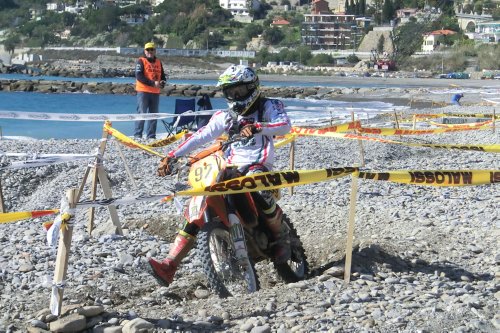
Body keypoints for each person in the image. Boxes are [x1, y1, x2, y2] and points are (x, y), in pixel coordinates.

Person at [148, 64, 292, 287]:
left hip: (258, 163)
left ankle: (281, 237)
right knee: (200, 203)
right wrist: (171, 155)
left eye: (239, 91)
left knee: (260, 189)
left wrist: (258, 127)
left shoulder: (269, 106)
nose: (235, 96)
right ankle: (170, 264)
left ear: (252, 87)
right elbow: (200, 136)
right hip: (230, 164)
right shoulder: (225, 117)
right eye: (230, 92)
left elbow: (284, 126)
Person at [134, 42, 167, 140]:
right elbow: (139, 76)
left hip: (155, 93)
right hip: (143, 91)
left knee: (154, 114)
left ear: (155, 51)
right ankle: (137, 135)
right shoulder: (141, 61)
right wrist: (153, 83)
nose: (150, 52)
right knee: (142, 113)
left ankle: (151, 136)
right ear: (145, 51)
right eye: (148, 50)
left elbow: (163, 76)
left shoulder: (158, 62)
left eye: (152, 49)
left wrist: (162, 82)